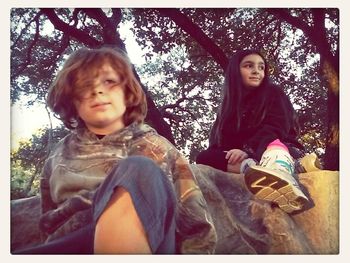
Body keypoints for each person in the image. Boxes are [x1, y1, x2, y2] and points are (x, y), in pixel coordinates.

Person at [15, 46, 216, 254]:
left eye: (109, 81)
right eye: (84, 85)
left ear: (128, 93)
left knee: (139, 169)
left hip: (152, 245)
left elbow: (197, 228)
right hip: (70, 246)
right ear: (72, 100)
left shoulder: (158, 148)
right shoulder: (57, 157)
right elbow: (48, 222)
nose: (97, 90)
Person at [196, 49, 321, 214]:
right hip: (247, 161)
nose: (257, 71)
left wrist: (247, 150)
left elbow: (276, 127)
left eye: (261, 67)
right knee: (204, 157)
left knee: (273, 145)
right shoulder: (228, 110)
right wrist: (236, 155)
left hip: (274, 147)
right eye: (249, 66)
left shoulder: (273, 93)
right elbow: (219, 145)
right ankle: (256, 171)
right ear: (235, 71)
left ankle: (285, 176)